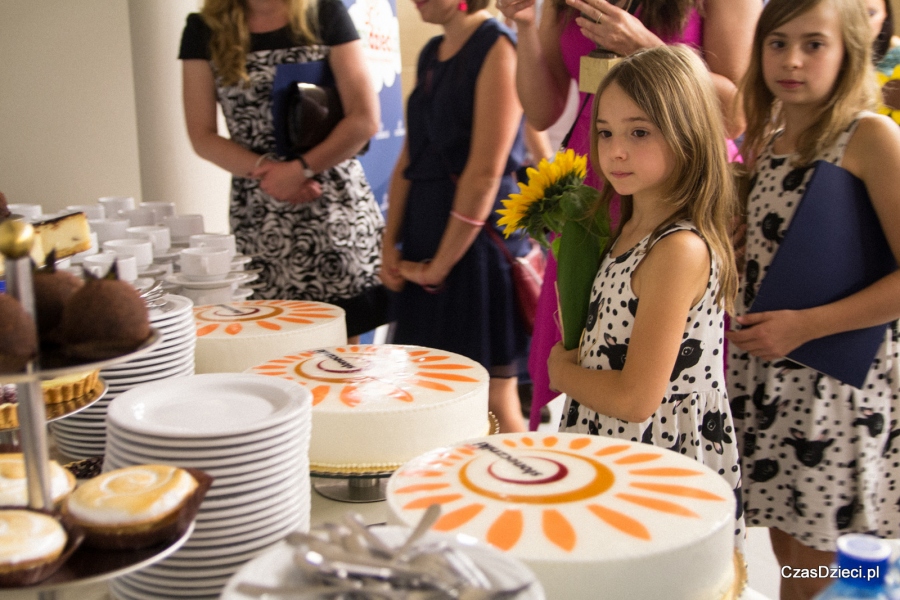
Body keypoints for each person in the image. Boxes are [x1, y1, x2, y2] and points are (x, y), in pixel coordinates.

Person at [497, 0, 761, 430]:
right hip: (593, 191)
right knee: (593, 340)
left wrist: (644, 47)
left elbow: (737, 115)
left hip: (677, 185)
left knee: (664, 359)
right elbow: (542, 111)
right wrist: (527, 26)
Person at [725, 0, 900, 597]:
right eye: (777, 42)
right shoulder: (768, 140)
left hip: (836, 386)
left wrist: (805, 326)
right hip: (774, 378)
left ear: (850, 49)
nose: (791, 60)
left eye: (813, 43)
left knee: (833, 570)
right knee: (788, 550)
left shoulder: (869, 136)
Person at [547, 45, 744, 545]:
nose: (616, 150)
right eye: (606, 132)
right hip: (614, 443)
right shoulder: (630, 226)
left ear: (688, 133)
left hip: (655, 458)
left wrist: (560, 372)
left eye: (640, 132)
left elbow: (637, 399)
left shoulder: (678, 248)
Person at [179, 0, 387, 341]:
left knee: (343, 356)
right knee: (275, 344)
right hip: (261, 213)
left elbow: (364, 118)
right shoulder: (203, 29)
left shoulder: (324, 13)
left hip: (331, 205)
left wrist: (302, 170)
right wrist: (272, 172)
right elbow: (201, 135)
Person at [380, 0, 530, 432]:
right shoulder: (432, 51)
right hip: (425, 238)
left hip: (475, 243)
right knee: (424, 388)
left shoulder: (499, 46)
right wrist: (390, 242)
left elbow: (485, 171)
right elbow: (410, 156)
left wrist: (440, 265)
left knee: (492, 402)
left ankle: (528, 495)